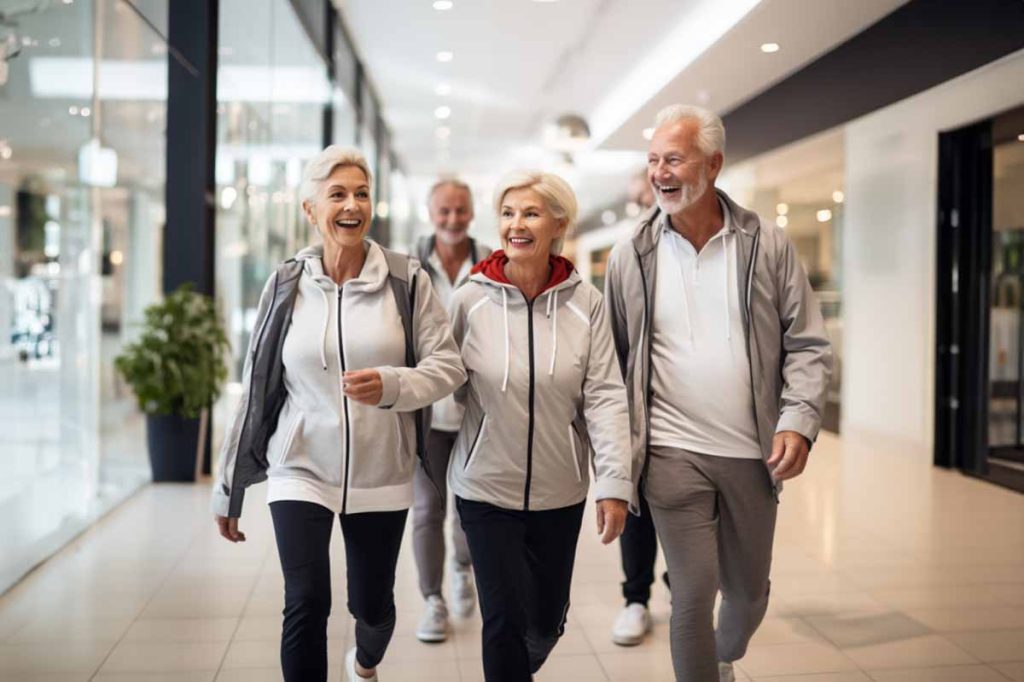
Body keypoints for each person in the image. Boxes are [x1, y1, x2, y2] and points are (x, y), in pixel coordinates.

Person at [211, 146, 466, 682]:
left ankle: (366, 661)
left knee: (373, 610)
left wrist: (394, 385)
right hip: (299, 466)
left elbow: (449, 366)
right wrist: (228, 486)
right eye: (338, 195)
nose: (352, 205)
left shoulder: (406, 279)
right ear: (310, 210)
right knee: (305, 602)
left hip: (382, 471)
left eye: (362, 193)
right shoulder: (285, 284)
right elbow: (257, 385)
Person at [604, 105, 833, 682]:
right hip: (670, 453)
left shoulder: (767, 245)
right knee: (691, 594)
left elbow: (807, 344)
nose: (660, 172)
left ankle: (723, 657)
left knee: (748, 596)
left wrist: (798, 421)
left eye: (673, 159)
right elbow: (611, 363)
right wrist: (612, 461)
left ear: (714, 164)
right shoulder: (631, 255)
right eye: (653, 160)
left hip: (753, 454)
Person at [448, 170, 633, 682]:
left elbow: (604, 397)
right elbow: (444, 385)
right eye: (507, 214)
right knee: (503, 622)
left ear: (558, 224)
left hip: (560, 491)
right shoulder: (469, 301)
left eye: (529, 213)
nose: (516, 224)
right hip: (484, 489)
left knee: (546, 624)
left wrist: (614, 484)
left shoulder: (586, 304)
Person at [412, 178, 491, 642]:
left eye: (460, 210)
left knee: (465, 509)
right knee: (427, 508)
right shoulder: (409, 266)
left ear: (472, 211)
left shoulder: (490, 264)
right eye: (444, 211)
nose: (453, 220)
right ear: (430, 211)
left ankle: (462, 569)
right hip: (425, 413)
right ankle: (432, 600)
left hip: (475, 414)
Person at [610, 168, 670, 647]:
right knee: (639, 510)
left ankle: (685, 585)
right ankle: (636, 598)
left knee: (692, 515)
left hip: (696, 418)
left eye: (641, 195)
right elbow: (615, 342)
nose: (641, 204)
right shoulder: (627, 251)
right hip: (640, 414)